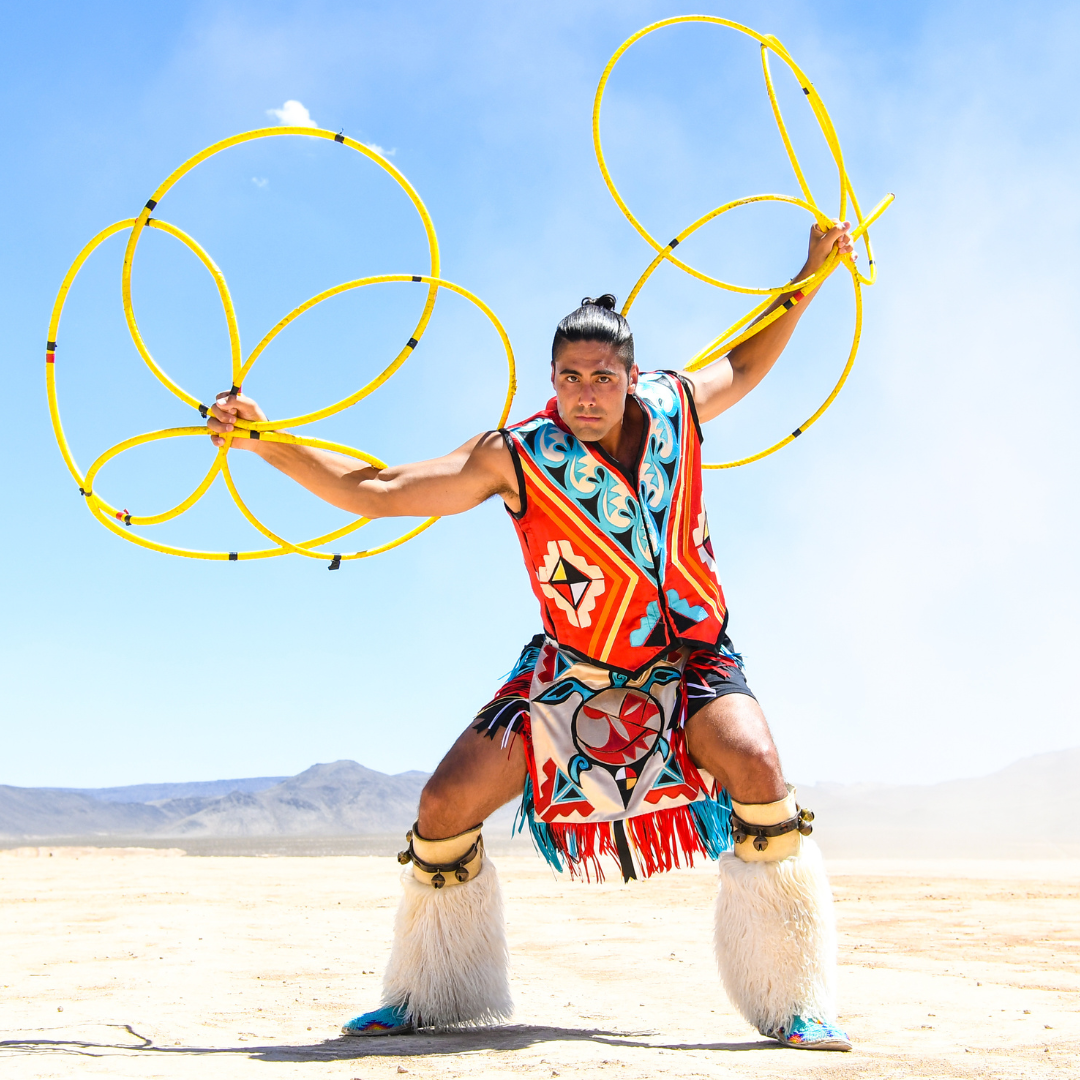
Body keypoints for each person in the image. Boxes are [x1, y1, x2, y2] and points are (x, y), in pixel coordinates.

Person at [208, 221, 858, 1051]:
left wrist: (811, 272)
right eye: (569, 377)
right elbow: (380, 489)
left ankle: (791, 999)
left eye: (602, 377)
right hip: (572, 672)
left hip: (691, 659)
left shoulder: (675, 406)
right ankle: (429, 994)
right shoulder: (515, 456)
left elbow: (748, 361)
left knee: (759, 766)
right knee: (442, 804)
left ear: (631, 375)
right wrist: (265, 442)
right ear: (551, 379)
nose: (585, 393)